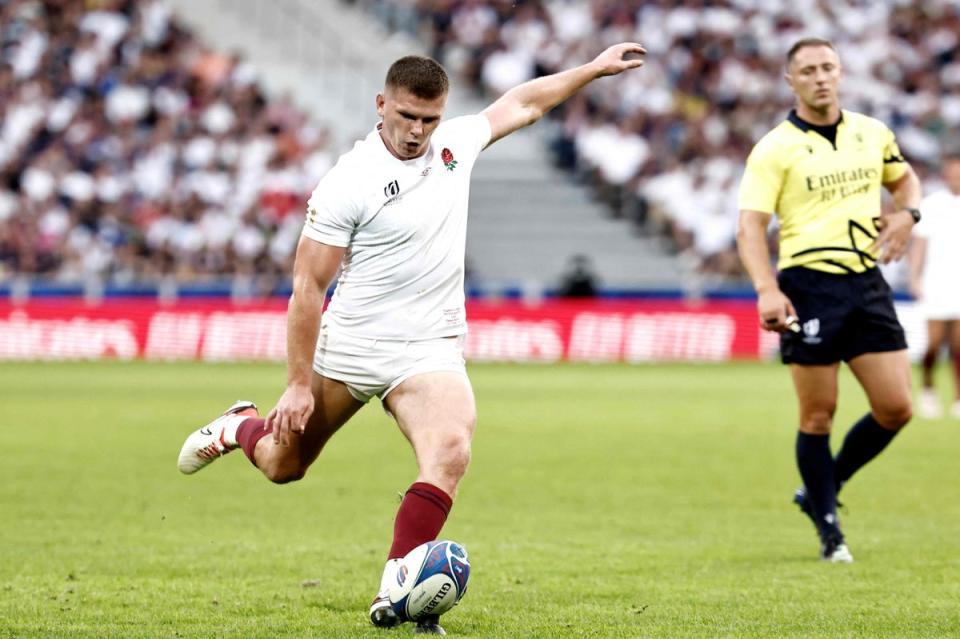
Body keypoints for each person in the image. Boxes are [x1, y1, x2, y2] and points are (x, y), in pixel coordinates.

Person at [177, 44, 646, 633]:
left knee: (450, 448)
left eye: (428, 119)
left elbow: (523, 103)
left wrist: (593, 69)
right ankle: (236, 425)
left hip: (429, 347)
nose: (417, 132)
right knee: (281, 465)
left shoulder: (455, 145)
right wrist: (296, 384)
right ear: (381, 105)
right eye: (406, 117)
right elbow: (306, 287)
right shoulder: (349, 182)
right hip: (351, 346)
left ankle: (397, 586)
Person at [736, 38, 922, 563]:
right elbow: (750, 226)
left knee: (897, 408)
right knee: (818, 415)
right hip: (808, 285)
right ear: (789, 80)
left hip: (866, 283)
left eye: (828, 67)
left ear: (840, 73)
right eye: (808, 70)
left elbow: (906, 183)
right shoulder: (774, 147)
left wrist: (909, 214)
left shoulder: (872, 133)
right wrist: (767, 289)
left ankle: (820, 489)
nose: (820, 77)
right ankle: (830, 530)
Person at [909, 154, 960, 419]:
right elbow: (919, 245)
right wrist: (915, 278)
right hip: (935, 282)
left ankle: (958, 398)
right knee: (934, 344)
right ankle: (928, 389)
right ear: (945, 174)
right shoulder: (931, 205)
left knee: (959, 346)